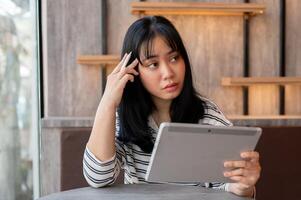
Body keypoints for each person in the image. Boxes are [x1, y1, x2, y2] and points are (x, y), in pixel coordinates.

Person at [83, 16, 261, 198]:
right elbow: (98, 177)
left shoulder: (208, 116)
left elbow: (227, 186)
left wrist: (242, 187)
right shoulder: (125, 118)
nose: (168, 73)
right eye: (153, 64)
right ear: (133, 71)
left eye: (174, 58)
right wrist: (107, 103)